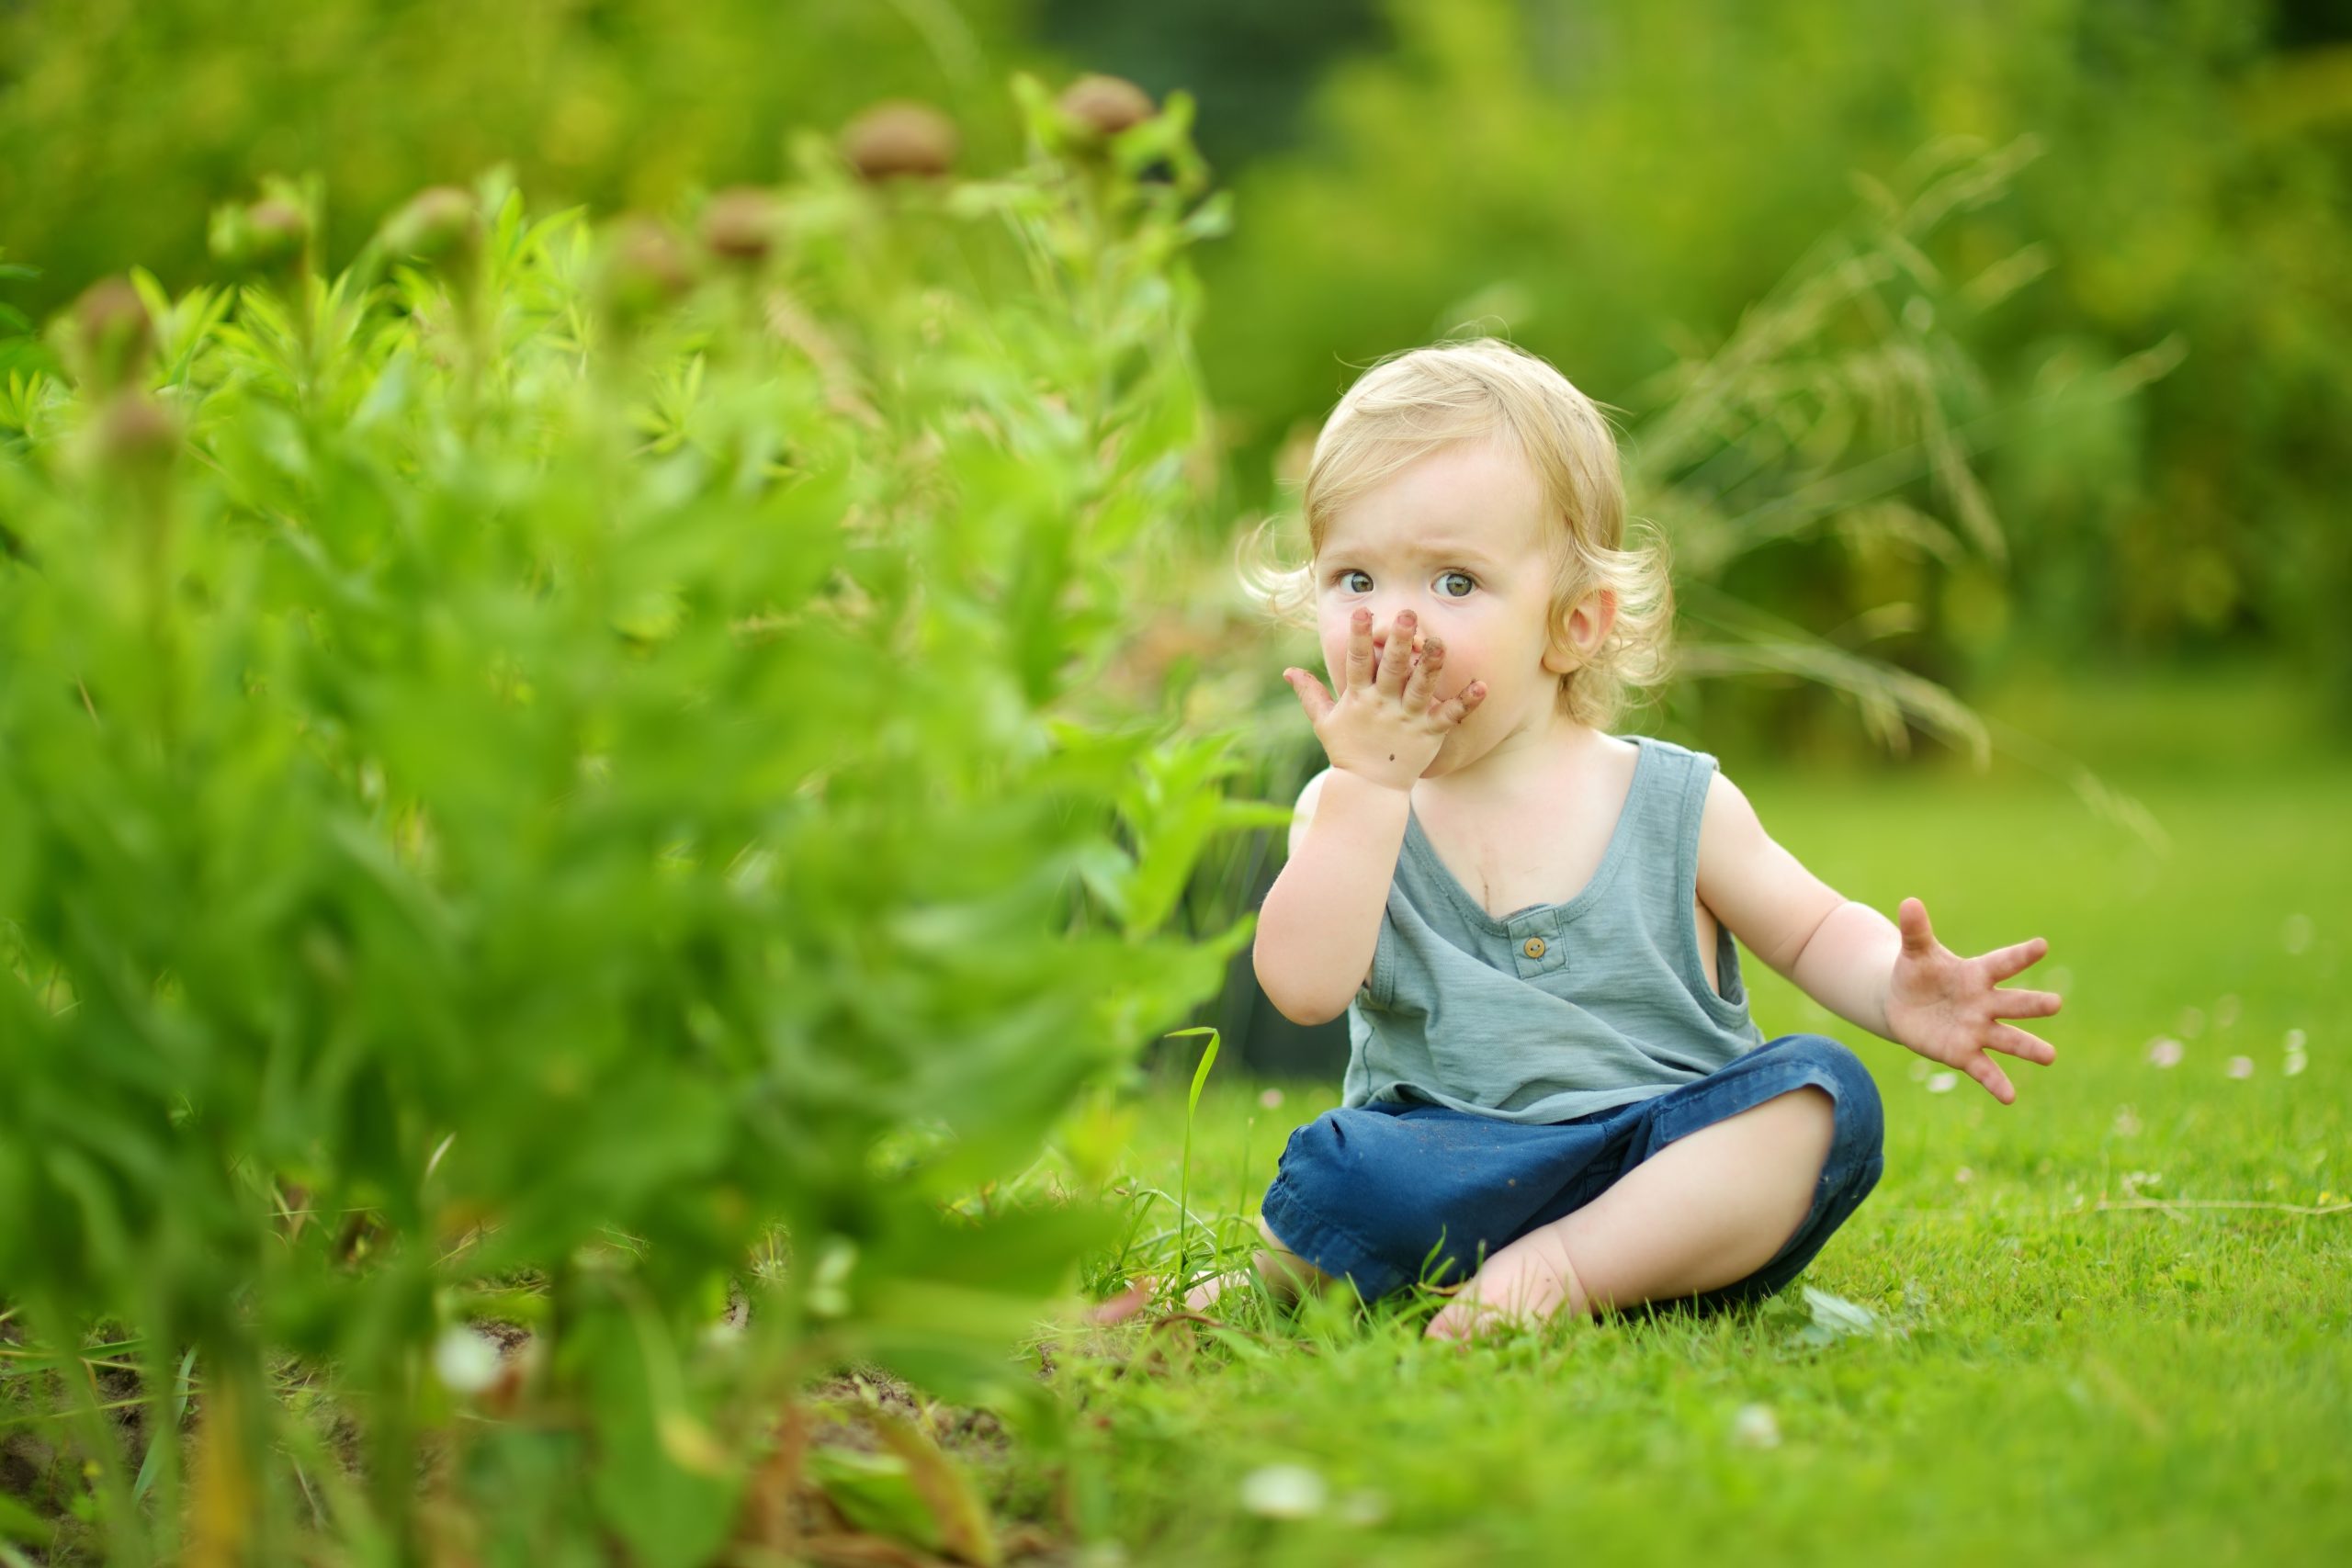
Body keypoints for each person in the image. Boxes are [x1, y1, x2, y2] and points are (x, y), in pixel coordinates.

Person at [1200, 337, 2062, 1341]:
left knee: (1824, 1099)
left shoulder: (1668, 802)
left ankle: (1556, 1274)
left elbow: (1813, 928)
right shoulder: (1344, 809)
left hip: (1662, 1165)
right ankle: (1308, 1273)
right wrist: (1368, 788)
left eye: (1453, 584)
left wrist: (1891, 985)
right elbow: (1302, 988)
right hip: (1446, 1164)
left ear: (1571, 625)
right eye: (1354, 579)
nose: (1393, 623)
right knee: (1343, 1167)